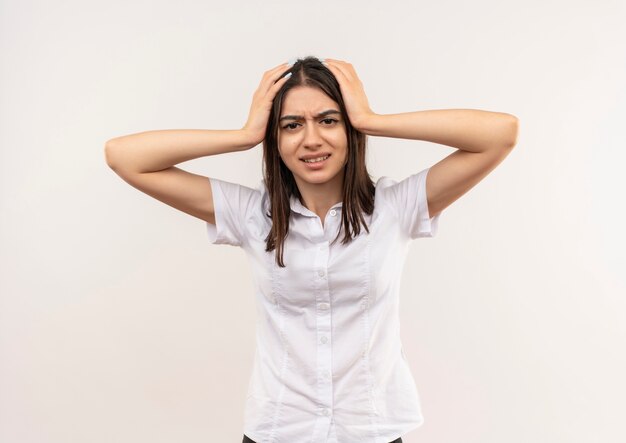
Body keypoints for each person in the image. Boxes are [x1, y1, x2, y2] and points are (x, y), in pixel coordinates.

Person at [104, 56, 519, 443]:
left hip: (371, 429)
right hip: (278, 428)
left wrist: (370, 119)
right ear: (276, 139)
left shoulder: (396, 208)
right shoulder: (252, 215)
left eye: (328, 120)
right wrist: (244, 135)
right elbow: (125, 157)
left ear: (349, 130)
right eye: (291, 125)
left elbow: (499, 135)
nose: (311, 139)